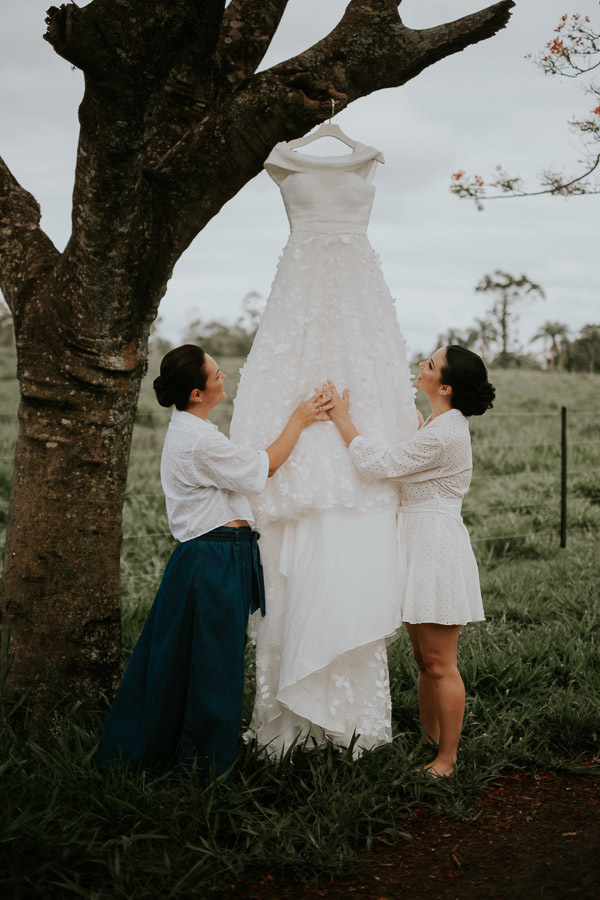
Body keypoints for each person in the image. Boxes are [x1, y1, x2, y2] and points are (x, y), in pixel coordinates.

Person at [230, 133, 418, 756]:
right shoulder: (280, 158)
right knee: (298, 495)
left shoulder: (369, 156)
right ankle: (292, 716)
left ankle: (349, 716)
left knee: (355, 485)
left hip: (359, 304)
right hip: (299, 299)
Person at [95, 345, 331, 779]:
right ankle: (207, 769)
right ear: (197, 393)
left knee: (191, 659)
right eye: (217, 374)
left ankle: (174, 755)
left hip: (217, 553)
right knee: (215, 665)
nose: (224, 377)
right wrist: (299, 419)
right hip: (214, 556)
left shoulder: (195, 432)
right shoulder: (198, 441)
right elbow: (267, 466)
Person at [324, 345, 495, 776]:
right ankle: (429, 738)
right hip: (416, 540)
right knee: (423, 661)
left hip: (435, 545)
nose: (422, 365)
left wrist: (342, 417)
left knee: (441, 663)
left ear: (446, 385)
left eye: (431, 364)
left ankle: (447, 760)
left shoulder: (446, 432)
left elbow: (382, 464)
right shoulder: (436, 423)